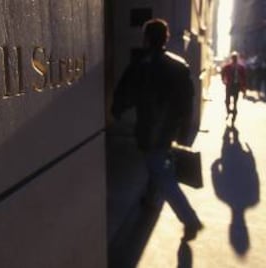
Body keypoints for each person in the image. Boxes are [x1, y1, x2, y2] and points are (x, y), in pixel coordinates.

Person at [112, 18, 202, 240]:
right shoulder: (179, 65)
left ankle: (190, 219)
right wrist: (184, 130)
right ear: (166, 38)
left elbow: (126, 92)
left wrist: (116, 110)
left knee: (161, 173)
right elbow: (187, 101)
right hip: (168, 129)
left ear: (147, 38)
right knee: (158, 166)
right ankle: (150, 199)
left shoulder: (141, 65)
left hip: (149, 129)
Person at [221, 51, 247, 125]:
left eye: (235, 58)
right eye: (233, 58)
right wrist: (223, 80)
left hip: (236, 86)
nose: (234, 59)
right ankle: (229, 111)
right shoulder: (228, 66)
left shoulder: (240, 67)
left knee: (235, 102)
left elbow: (244, 78)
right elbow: (222, 73)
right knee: (227, 101)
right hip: (229, 85)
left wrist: (244, 89)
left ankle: (233, 117)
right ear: (232, 58)